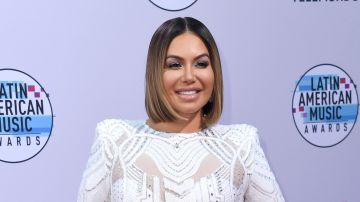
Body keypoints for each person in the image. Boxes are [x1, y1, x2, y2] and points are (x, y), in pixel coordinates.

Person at [77, 17, 284, 202]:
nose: (189, 76)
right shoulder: (114, 140)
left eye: (201, 64)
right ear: (155, 73)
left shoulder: (242, 143)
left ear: (214, 73)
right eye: (175, 65)